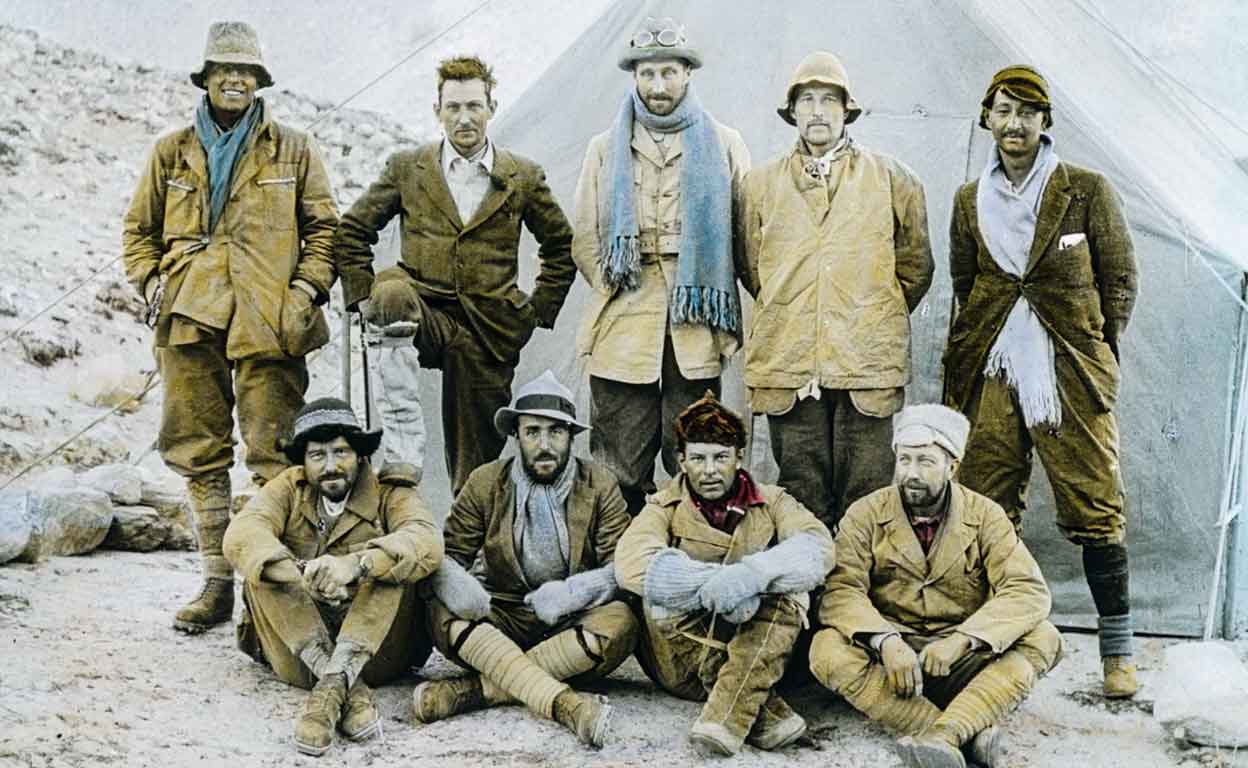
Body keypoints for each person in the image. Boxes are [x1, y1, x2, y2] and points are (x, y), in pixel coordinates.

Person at [122, 21, 338, 634]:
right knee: (198, 450)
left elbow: (325, 230)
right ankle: (216, 584)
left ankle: (266, 594)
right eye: (224, 70)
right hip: (190, 317)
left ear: (259, 80)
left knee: (275, 454)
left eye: (245, 70)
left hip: (271, 321)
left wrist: (303, 293)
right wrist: (152, 283)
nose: (235, 80)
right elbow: (138, 232)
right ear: (207, 78)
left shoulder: (293, 149)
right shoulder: (171, 151)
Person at [943, 65, 1139, 697]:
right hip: (994, 367)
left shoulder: (1084, 190)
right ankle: (995, 640)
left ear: (1045, 122)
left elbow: (1120, 279)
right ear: (987, 120)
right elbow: (967, 282)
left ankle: (1118, 653)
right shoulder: (969, 200)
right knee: (985, 500)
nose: (1014, 124)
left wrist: (1094, 347)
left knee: (1095, 498)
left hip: (1068, 369)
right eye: (1002, 111)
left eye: (1027, 112)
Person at [336, 55, 575, 495]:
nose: (464, 118)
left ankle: (471, 530)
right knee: (390, 293)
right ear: (438, 111)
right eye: (454, 107)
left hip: (489, 330)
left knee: (477, 466)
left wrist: (536, 311)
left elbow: (561, 245)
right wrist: (362, 301)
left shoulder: (521, 175)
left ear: (491, 108)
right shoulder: (408, 168)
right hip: (423, 313)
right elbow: (352, 230)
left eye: (474, 106)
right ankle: (403, 445)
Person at [740, 51, 933, 532]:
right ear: (792, 111)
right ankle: (808, 578)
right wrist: (798, 309)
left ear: (847, 109)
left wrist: (867, 312)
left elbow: (915, 268)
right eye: (807, 100)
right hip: (789, 356)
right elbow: (751, 268)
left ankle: (858, 578)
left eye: (829, 100)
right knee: (801, 489)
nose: (818, 111)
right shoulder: (759, 185)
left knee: (866, 492)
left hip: (866, 358)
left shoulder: (893, 179)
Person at [810, 404, 1061, 768]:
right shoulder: (865, 513)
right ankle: (957, 732)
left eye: (925, 462)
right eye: (904, 460)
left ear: (952, 467)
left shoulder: (985, 515)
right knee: (826, 648)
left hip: (960, 660)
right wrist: (885, 641)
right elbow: (841, 589)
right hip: (892, 664)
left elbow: (1027, 589)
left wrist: (963, 640)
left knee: (1045, 637)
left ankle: (946, 735)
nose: (911, 473)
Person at [572, 16, 751, 515]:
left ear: (687, 73)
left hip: (695, 321)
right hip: (624, 320)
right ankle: (618, 550)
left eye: (668, 72)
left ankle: (690, 544)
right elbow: (585, 237)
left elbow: (745, 237)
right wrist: (617, 284)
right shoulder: (605, 148)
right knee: (617, 462)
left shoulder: (725, 143)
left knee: (696, 453)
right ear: (634, 76)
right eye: (647, 74)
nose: (657, 86)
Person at [413, 371, 637, 748]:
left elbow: (621, 567)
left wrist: (574, 593)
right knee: (441, 609)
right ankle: (566, 704)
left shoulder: (600, 484)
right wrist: (461, 589)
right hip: (502, 615)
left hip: (570, 620)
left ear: (571, 435)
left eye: (556, 431)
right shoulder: (486, 481)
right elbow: (450, 556)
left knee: (622, 621)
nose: (544, 445)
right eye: (532, 432)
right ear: (516, 435)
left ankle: (475, 690)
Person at [613, 392, 834, 756]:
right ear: (682, 461)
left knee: (790, 597)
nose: (710, 470)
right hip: (683, 660)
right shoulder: (664, 506)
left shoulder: (773, 501)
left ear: (739, 457)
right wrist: (715, 585)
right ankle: (763, 712)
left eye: (720, 457)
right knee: (659, 596)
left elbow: (818, 547)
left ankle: (724, 720)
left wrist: (752, 575)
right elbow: (630, 562)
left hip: (755, 643)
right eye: (698, 458)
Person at [222, 398, 442, 756]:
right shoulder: (288, 488)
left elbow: (426, 539)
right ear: (303, 462)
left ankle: (328, 695)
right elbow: (241, 534)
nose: (330, 466)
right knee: (262, 570)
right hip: (300, 650)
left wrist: (356, 566)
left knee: (393, 567)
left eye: (341, 452)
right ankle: (343, 688)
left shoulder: (390, 492)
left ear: (359, 454)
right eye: (317, 455)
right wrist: (302, 575)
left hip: (378, 654)